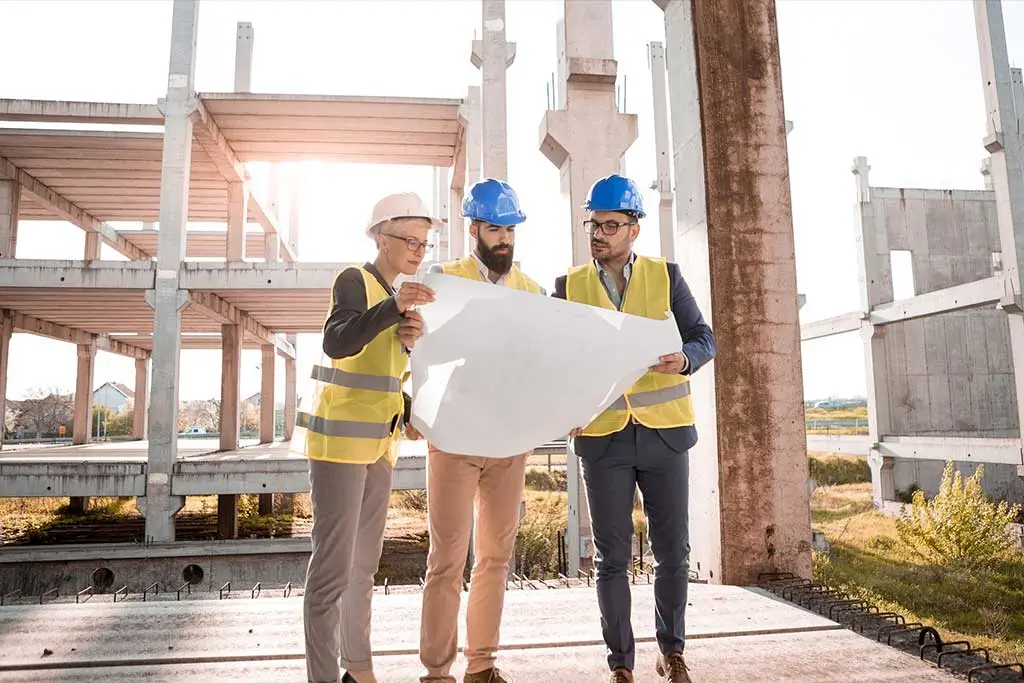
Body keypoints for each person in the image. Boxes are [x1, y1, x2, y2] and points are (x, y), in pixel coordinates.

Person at [552, 174, 716, 683]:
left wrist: (684, 360)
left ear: (634, 229)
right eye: (593, 224)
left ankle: (672, 650)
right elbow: (552, 358)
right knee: (611, 558)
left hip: (665, 434)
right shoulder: (568, 286)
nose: (598, 233)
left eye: (609, 224)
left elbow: (704, 338)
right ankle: (621, 664)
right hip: (604, 439)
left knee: (672, 553)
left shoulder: (666, 276)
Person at [294, 192, 440, 683]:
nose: (419, 249)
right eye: (409, 239)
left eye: (425, 242)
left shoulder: (395, 297)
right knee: (332, 572)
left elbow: (382, 379)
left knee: (363, 569)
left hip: (379, 446)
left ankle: (358, 670)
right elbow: (337, 342)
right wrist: (392, 312)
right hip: (339, 447)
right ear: (381, 237)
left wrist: (405, 340)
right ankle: (323, 677)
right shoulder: (355, 280)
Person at [417, 178, 544, 683]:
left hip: (509, 443)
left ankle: (482, 665)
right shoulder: (443, 280)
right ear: (475, 230)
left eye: (511, 229)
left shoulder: (531, 291)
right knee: (446, 557)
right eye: (495, 229)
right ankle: (436, 671)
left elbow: (544, 362)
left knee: (494, 558)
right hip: (454, 440)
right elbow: (418, 351)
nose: (505, 239)